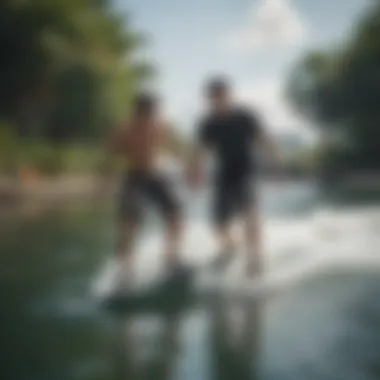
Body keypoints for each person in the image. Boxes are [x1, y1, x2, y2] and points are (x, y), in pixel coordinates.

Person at [188, 76, 280, 277]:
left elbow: (264, 140)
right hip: (224, 173)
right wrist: (195, 174)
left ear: (228, 96)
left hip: (246, 170)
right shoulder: (208, 124)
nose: (216, 101)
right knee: (218, 223)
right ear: (208, 99)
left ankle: (255, 259)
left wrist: (275, 164)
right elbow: (198, 152)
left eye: (220, 96)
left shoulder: (245, 117)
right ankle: (230, 248)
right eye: (212, 98)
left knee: (249, 212)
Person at [103, 93, 184, 288]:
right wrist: (104, 176)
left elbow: (171, 147)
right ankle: (125, 269)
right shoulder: (125, 129)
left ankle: (170, 259)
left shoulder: (160, 126)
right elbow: (110, 152)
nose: (149, 117)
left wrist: (183, 165)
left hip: (156, 177)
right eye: (146, 113)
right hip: (134, 177)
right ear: (137, 112)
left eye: (152, 113)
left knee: (176, 215)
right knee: (128, 224)